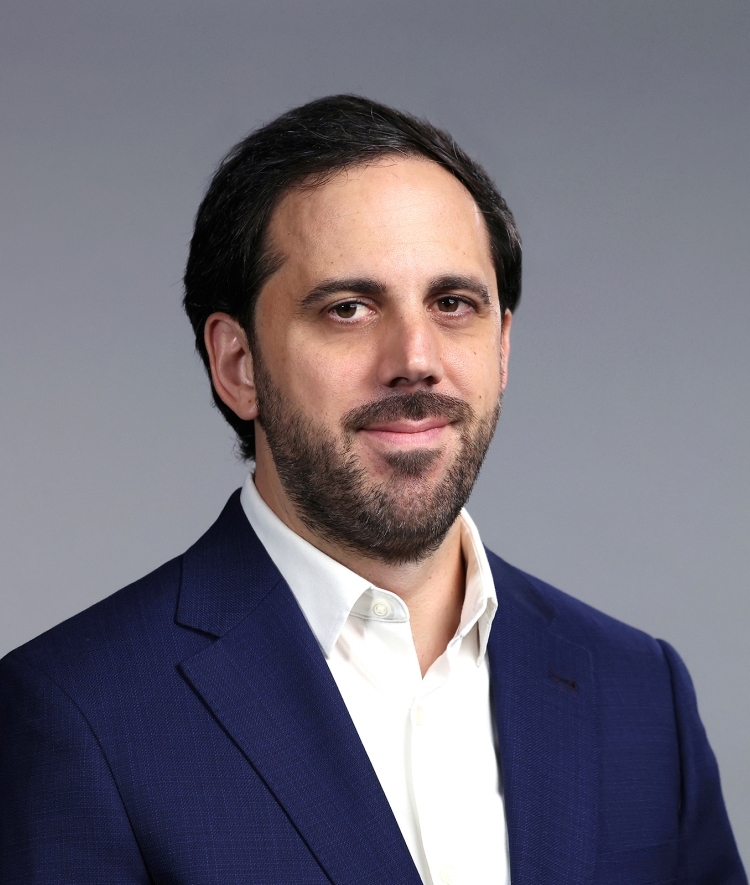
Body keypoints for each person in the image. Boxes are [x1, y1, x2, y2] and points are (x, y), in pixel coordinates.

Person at [0, 95, 745, 885]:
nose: (416, 357)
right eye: (348, 308)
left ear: (502, 348)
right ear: (238, 365)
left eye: (453, 304)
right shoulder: (74, 715)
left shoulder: (639, 691)